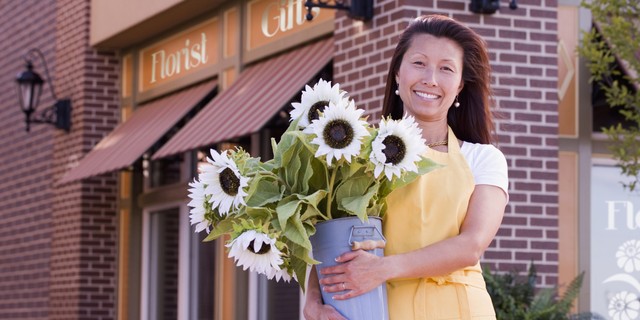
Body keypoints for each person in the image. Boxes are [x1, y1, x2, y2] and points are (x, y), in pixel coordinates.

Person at [303, 14, 509, 320]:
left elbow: (471, 245)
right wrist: (314, 298)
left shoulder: (483, 158)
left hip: (461, 309)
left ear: (460, 86)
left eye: (446, 69)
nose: (431, 79)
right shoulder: (357, 156)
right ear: (397, 73)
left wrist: (383, 269)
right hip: (382, 309)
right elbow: (330, 234)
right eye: (419, 63)